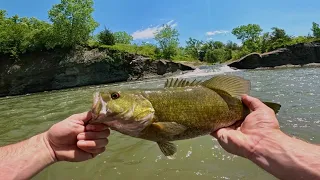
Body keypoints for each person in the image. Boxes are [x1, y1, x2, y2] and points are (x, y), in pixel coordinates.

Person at [0, 95, 319, 180]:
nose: (106, 100)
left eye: (114, 96)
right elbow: (167, 133)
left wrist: (268, 140)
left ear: (141, 102)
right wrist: (46, 145)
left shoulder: (146, 116)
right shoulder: (139, 120)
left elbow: (169, 131)